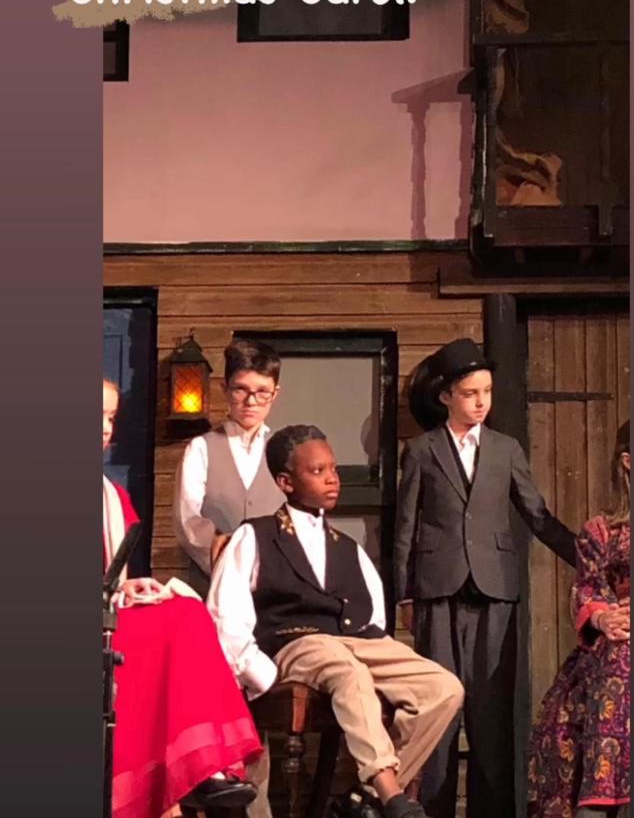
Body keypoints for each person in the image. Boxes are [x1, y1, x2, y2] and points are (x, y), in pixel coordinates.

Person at [208, 424, 465, 818]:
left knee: (443, 688)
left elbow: (373, 616)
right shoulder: (254, 536)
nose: (332, 478)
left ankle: (364, 797)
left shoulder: (348, 548)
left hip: (355, 642)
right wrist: (262, 675)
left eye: (333, 469)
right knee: (347, 670)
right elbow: (227, 616)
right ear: (286, 482)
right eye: (317, 471)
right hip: (294, 644)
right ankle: (390, 793)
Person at [394, 338, 577, 818]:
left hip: (494, 594)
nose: (481, 402)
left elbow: (537, 515)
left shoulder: (504, 449)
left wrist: (588, 556)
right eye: (470, 393)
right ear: (446, 396)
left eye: (487, 392)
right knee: (439, 709)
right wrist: (403, 595)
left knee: (492, 717)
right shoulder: (421, 451)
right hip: (438, 593)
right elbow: (405, 527)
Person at [103, 378, 262, 818]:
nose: (106, 427)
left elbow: (112, 576)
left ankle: (210, 765)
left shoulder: (111, 495)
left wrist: (128, 587)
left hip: (107, 614)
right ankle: (196, 767)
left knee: (187, 611)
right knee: (176, 624)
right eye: (96, 416)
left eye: (111, 417)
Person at [527, 423, 631, 818]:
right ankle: (602, 795)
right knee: (619, 659)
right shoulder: (601, 531)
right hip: (619, 637)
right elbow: (589, 590)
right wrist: (603, 619)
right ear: (628, 462)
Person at [174, 339, 286, 585]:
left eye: (262, 392)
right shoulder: (201, 448)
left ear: (275, 393)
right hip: (213, 582)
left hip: (274, 584)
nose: (251, 401)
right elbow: (188, 522)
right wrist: (229, 566)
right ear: (225, 388)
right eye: (240, 390)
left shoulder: (284, 450)